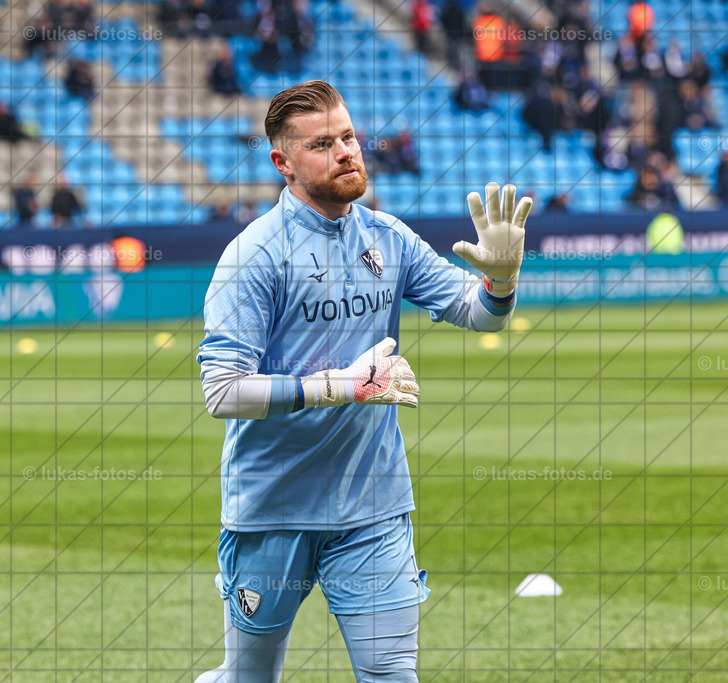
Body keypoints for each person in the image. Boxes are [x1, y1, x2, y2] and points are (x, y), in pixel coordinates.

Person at [195, 81, 530, 682]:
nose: (347, 151)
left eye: (348, 136)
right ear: (284, 163)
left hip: (372, 507)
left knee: (391, 675)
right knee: (249, 679)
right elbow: (222, 391)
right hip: (273, 508)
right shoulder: (253, 257)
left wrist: (500, 282)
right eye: (323, 143)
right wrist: (337, 386)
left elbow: (476, 313)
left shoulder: (387, 238)